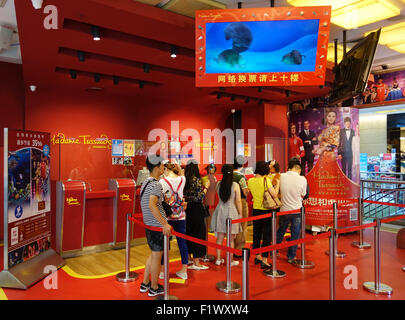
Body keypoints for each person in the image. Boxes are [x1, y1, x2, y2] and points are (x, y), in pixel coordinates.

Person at [139, 155, 172, 297]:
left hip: (150, 226)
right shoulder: (156, 184)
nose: (164, 168)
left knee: (153, 256)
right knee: (157, 257)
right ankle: (154, 287)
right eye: (162, 166)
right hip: (157, 227)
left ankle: (145, 283)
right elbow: (152, 205)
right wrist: (164, 223)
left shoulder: (145, 182)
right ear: (157, 167)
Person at [159, 162, 188, 280]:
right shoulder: (182, 179)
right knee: (182, 243)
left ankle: (162, 271)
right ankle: (184, 270)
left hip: (167, 217)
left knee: (165, 244)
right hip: (181, 215)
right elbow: (181, 173)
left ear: (165, 169)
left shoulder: (162, 182)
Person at [276, 157, 307, 263]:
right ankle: (291, 256)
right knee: (295, 234)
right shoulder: (302, 179)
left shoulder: (282, 176)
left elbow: (278, 191)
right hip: (296, 210)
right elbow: (303, 195)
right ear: (298, 169)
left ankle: (273, 251)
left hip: (284, 209)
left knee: (281, 231)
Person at [247, 161, 277, 269]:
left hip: (256, 210)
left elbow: (248, 193)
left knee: (257, 234)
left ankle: (258, 256)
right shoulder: (266, 180)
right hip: (266, 210)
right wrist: (277, 186)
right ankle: (264, 259)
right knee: (267, 235)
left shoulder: (250, 180)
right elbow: (273, 194)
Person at [210, 164, 242, 266]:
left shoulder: (218, 184)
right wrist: (240, 213)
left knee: (219, 238)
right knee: (231, 239)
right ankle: (230, 260)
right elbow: (238, 201)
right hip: (231, 211)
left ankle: (218, 259)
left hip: (220, 210)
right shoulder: (235, 185)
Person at [184, 161, 209, 270]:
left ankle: (189, 258)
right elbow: (200, 197)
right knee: (198, 233)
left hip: (187, 208)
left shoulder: (185, 179)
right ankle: (196, 262)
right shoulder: (196, 180)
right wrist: (206, 188)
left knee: (189, 232)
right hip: (197, 208)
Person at [233, 156, 249, 256]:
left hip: (230, 202)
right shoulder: (241, 177)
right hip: (241, 202)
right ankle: (239, 249)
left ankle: (232, 247)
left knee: (233, 226)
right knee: (242, 225)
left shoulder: (229, 175)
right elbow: (245, 192)